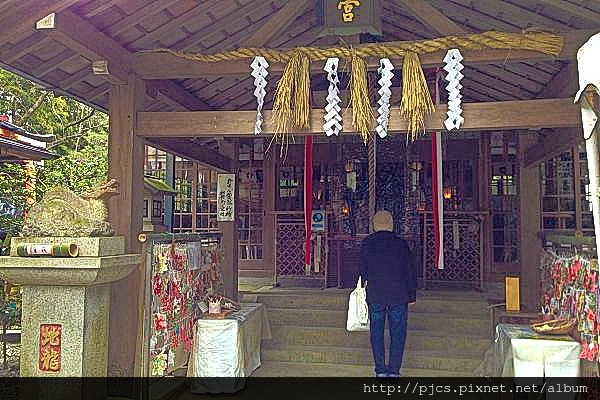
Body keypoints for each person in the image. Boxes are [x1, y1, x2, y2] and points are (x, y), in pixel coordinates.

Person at [359, 210, 417, 377]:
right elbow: (409, 271)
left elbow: (363, 270)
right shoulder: (401, 244)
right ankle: (394, 370)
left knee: (376, 333)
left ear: (374, 224)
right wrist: (411, 295)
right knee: (398, 333)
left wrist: (365, 285)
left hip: (376, 293)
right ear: (391, 224)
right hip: (398, 294)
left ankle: (380, 369)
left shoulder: (367, 243)